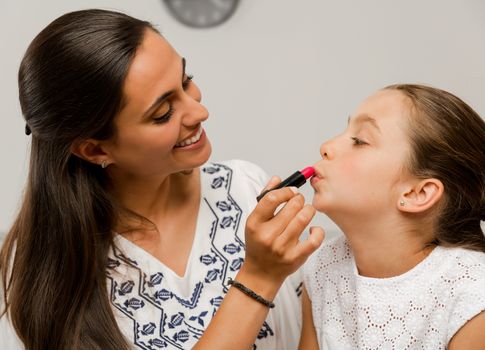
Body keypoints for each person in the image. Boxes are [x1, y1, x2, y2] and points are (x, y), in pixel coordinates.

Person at [0, 9, 325, 350]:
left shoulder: (245, 188)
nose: (200, 112)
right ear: (95, 150)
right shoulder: (47, 273)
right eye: (162, 113)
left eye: (186, 81)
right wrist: (258, 277)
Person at [299, 84, 485, 349]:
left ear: (416, 193)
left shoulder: (473, 296)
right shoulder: (321, 269)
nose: (326, 146)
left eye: (360, 140)